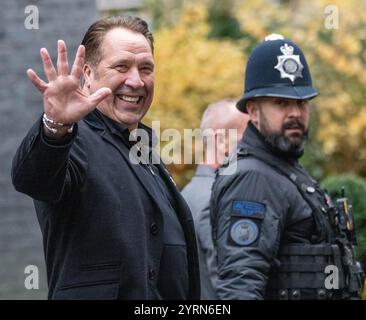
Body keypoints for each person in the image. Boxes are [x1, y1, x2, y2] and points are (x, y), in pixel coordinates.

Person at [11, 16, 200, 300]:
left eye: (145, 68)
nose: (136, 81)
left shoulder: (146, 152)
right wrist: (55, 126)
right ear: (88, 73)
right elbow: (35, 180)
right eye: (121, 66)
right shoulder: (74, 139)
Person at [210, 34, 364, 300]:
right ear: (254, 111)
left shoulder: (284, 169)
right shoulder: (252, 178)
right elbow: (241, 288)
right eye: (281, 103)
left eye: (302, 102)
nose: (295, 113)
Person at [181, 99, 249, 299]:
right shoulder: (215, 199)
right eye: (248, 137)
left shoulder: (189, 192)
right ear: (221, 141)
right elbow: (231, 283)